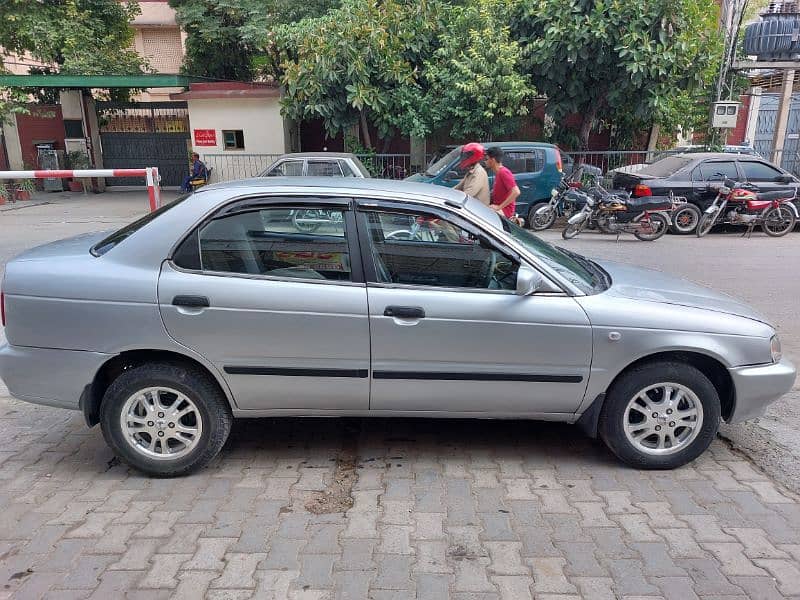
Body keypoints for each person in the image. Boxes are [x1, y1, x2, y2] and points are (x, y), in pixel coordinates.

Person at [485, 146, 520, 219]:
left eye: (487, 159)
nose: (485, 161)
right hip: (497, 207)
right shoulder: (498, 173)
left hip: (505, 211)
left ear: (493, 160)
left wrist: (499, 207)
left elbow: (516, 192)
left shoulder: (504, 172)